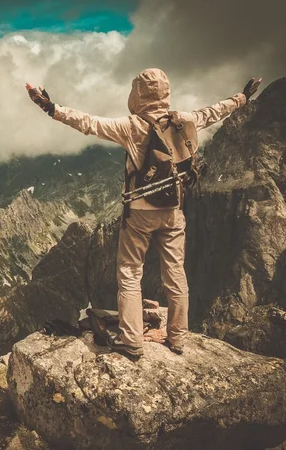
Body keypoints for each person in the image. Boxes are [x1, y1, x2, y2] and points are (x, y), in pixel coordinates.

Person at [26, 68, 261, 357]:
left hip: (139, 213)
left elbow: (89, 123)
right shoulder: (184, 120)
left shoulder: (132, 126)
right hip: (173, 210)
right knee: (175, 272)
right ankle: (177, 338)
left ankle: (132, 341)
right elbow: (215, 112)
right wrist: (243, 97)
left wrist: (51, 108)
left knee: (129, 273)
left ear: (138, 94)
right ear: (165, 93)